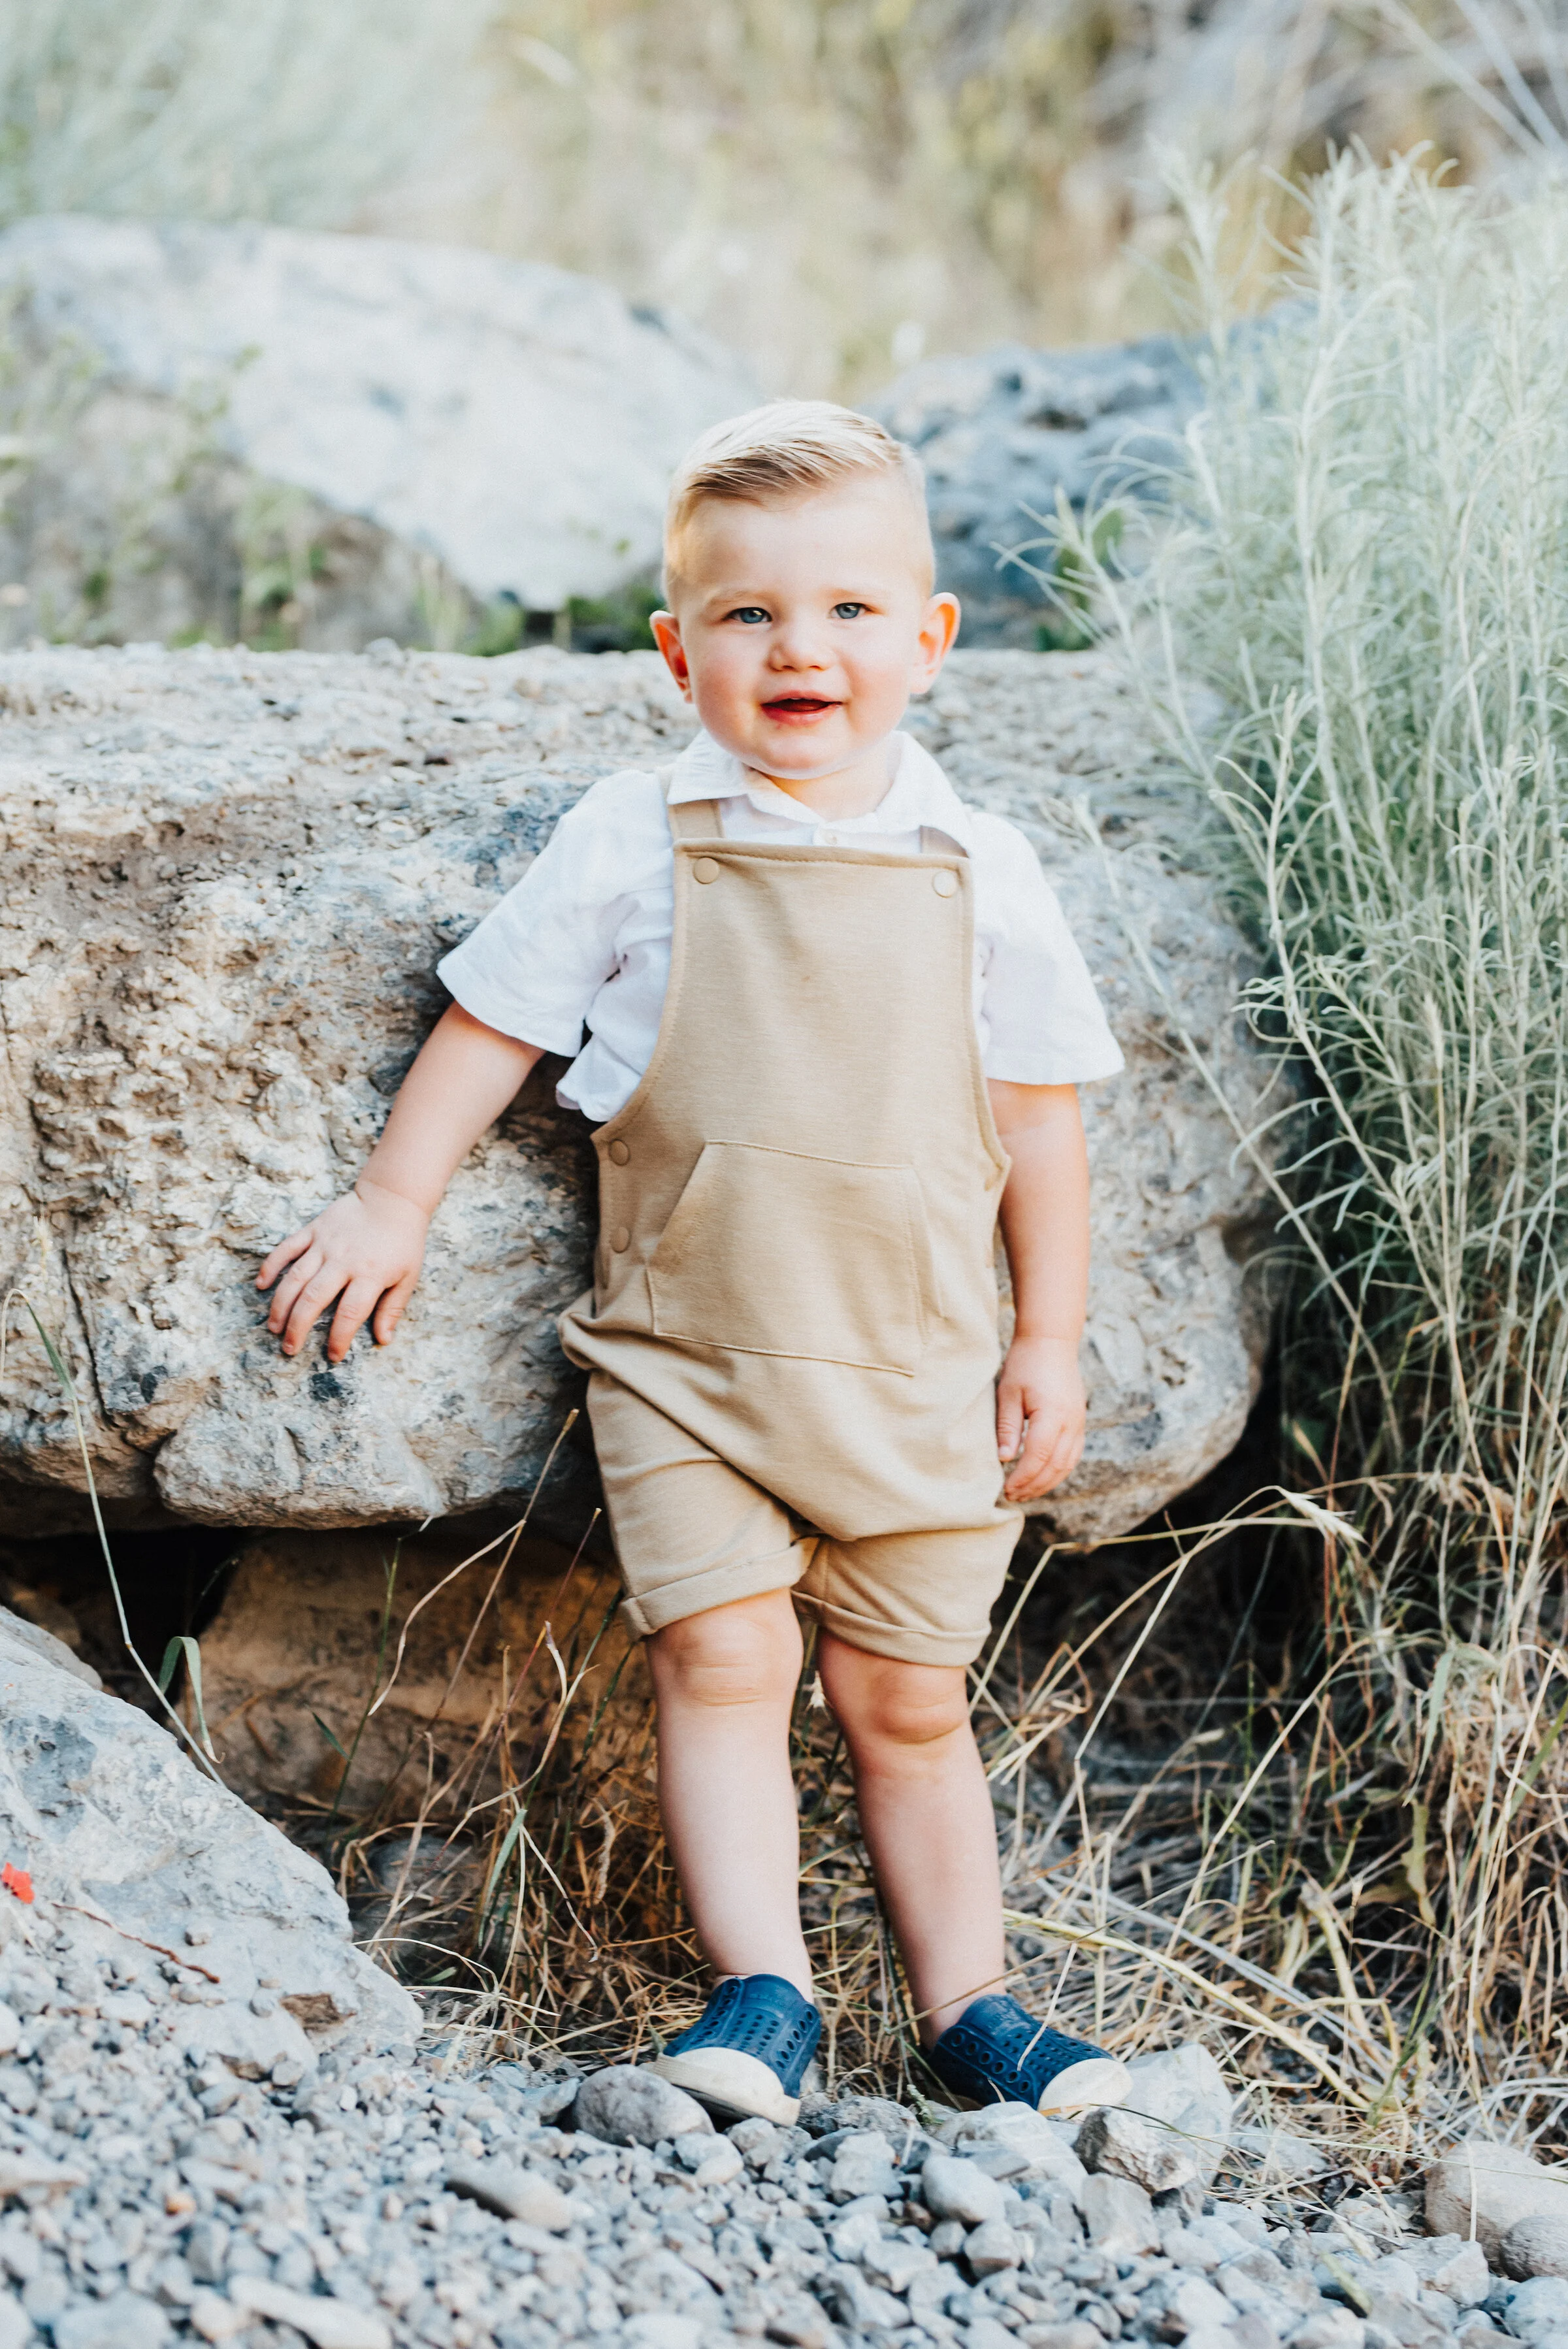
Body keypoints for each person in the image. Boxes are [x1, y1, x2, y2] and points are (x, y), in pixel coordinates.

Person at [257, 401, 1131, 2128]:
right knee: (721, 1660)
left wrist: (1055, 1340)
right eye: (748, 616)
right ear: (679, 652)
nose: (800, 649)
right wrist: (392, 1202)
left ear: (931, 643)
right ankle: (765, 1997)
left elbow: (1038, 1128)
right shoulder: (639, 834)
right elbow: (492, 1019)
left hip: (919, 1369)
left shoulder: (982, 868)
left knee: (908, 1696)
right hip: (690, 1364)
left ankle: (974, 2009)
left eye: (850, 612)